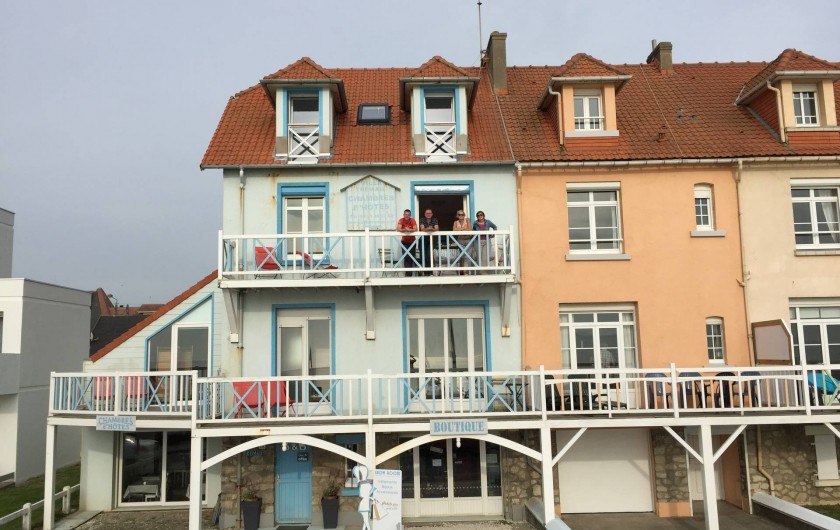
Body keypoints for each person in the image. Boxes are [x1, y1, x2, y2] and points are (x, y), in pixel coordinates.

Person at [396, 209, 417, 277]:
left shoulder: (412, 220)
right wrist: (405, 230)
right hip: (404, 242)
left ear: (410, 215)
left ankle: (410, 274)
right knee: (406, 257)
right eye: (405, 214)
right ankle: (408, 275)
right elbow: (398, 229)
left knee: (411, 257)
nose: (407, 216)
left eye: (408, 214)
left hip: (412, 242)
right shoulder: (401, 220)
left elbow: (415, 229)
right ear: (403, 215)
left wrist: (409, 230)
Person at [419, 208, 439, 276]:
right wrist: (430, 228)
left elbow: (437, 229)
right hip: (423, 239)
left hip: (431, 239)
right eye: (427, 213)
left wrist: (427, 229)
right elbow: (422, 229)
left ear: (432, 214)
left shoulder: (434, 220)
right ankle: (425, 272)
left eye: (430, 213)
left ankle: (430, 272)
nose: (428, 214)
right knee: (423, 255)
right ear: (425, 214)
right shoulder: (422, 220)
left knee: (429, 255)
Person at [452, 210, 471, 274]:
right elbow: (454, 230)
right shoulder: (455, 222)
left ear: (464, 215)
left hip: (468, 239)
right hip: (460, 240)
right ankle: (462, 271)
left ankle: (467, 271)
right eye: (459, 214)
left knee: (468, 256)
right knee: (462, 256)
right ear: (457, 215)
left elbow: (469, 229)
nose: (461, 216)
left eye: (462, 214)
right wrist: (464, 229)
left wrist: (459, 229)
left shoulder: (467, 220)